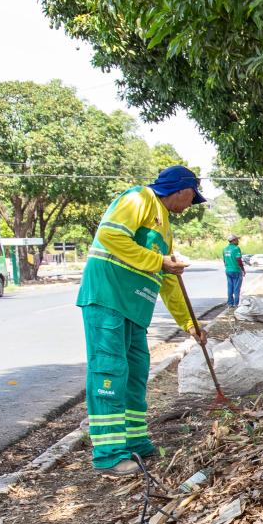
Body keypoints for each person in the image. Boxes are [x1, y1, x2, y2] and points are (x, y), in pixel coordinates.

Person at [77, 164, 206, 475]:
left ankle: (135, 440)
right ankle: (108, 453)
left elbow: (169, 282)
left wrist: (190, 324)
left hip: (135, 309)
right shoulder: (139, 198)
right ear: (181, 190)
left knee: (136, 372)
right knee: (109, 370)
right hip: (108, 297)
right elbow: (109, 236)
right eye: (191, 198)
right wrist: (158, 260)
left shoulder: (165, 229)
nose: (191, 205)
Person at [222, 234, 244, 308]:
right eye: (237, 239)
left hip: (228, 270)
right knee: (236, 288)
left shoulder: (225, 249)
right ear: (233, 240)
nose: (238, 241)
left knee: (230, 287)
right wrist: (243, 269)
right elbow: (239, 260)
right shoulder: (236, 248)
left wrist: (228, 267)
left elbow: (224, 261)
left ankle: (230, 304)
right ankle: (236, 304)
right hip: (236, 270)